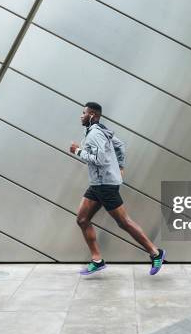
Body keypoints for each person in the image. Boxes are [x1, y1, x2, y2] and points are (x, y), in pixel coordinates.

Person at [69, 102, 165, 275]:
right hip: (98, 184)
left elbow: (100, 160)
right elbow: (119, 145)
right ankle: (97, 260)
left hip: (105, 185)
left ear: (93, 115)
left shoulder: (95, 134)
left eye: (84, 113)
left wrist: (77, 151)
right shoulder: (99, 131)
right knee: (82, 220)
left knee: (124, 222)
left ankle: (156, 253)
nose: (81, 116)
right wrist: (120, 166)